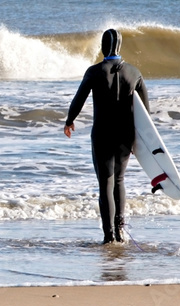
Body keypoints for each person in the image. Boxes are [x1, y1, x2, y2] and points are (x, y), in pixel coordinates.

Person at [63, 29, 148, 244]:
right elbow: (145, 111)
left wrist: (69, 120)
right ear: (120, 47)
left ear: (102, 46)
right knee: (119, 180)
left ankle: (108, 236)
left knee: (105, 184)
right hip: (125, 136)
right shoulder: (134, 72)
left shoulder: (94, 71)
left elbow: (79, 99)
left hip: (102, 134)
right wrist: (141, 139)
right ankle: (120, 232)